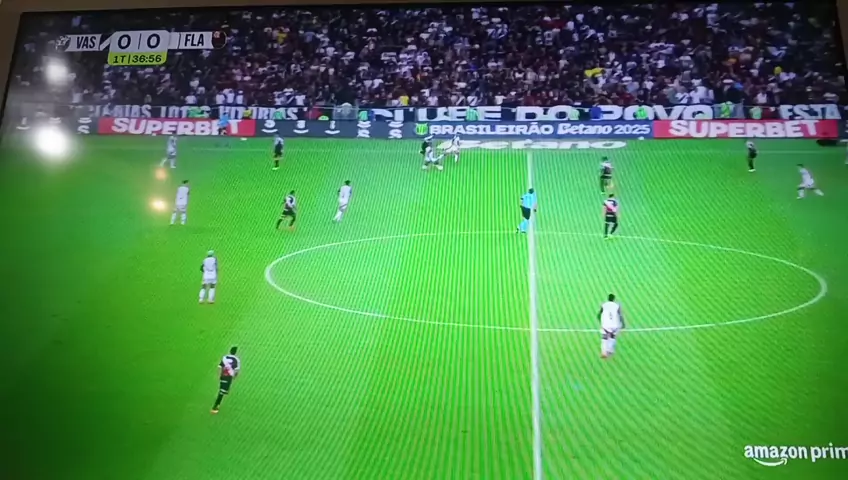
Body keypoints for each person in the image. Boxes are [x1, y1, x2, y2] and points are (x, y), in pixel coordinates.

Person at [211, 346, 241, 414]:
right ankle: (215, 407)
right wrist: (234, 377)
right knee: (222, 391)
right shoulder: (236, 359)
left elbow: (219, 367)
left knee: (223, 390)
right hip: (228, 377)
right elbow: (236, 370)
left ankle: (218, 401)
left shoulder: (225, 357)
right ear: (235, 352)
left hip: (223, 376)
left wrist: (219, 375)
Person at [598, 294, 625, 358]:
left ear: (608, 298)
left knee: (604, 337)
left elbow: (599, 315)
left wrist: (601, 322)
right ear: (614, 299)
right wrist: (623, 323)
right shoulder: (617, 306)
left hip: (605, 325)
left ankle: (604, 352)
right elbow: (620, 315)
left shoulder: (604, 305)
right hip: (615, 325)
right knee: (612, 336)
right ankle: (610, 350)